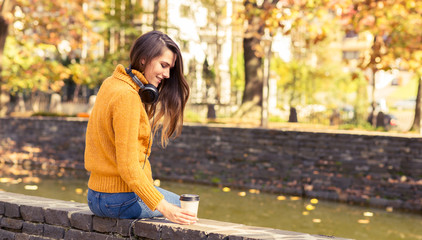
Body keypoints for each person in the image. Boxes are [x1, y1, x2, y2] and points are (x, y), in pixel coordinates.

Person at [84, 31, 196, 225]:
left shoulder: (111, 83)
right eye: (163, 65)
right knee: (185, 208)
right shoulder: (128, 97)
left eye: (170, 68)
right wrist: (165, 209)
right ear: (143, 59)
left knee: (178, 204)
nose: (167, 74)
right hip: (119, 199)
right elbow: (128, 166)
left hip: (95, 196)